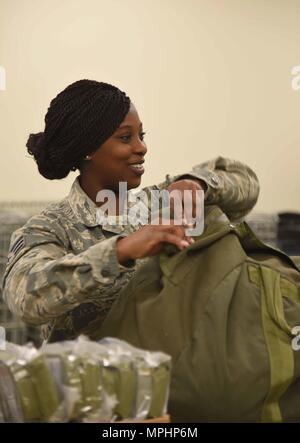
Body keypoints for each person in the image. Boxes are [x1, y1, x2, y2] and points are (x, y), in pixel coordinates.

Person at [2, 80, 259, 342]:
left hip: (173, 376)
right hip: (91, 380)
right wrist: (120, 252)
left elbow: (246, 183)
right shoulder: (50, 227)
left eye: (141, 136)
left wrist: (199, 183)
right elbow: (26, 298)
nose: (141, 147)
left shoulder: (162, 202)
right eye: (126, 137)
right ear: (88, 149)